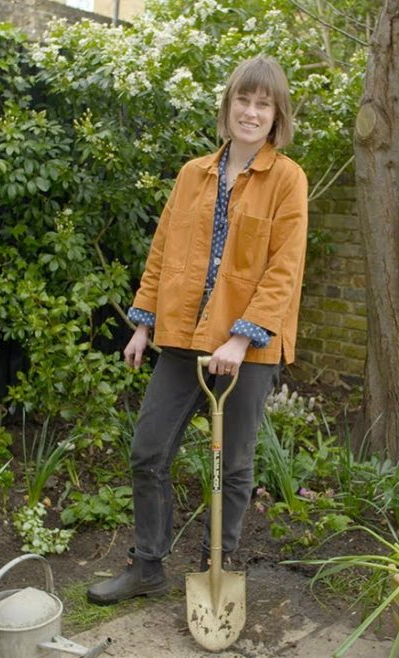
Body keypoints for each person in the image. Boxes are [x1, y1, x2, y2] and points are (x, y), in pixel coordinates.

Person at [87, 55, 308, 605]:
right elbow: (163, 250)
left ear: (277, 115)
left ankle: (220, 564)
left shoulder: (287, 179)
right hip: (183, 336)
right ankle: (148, 564)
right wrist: (142, 323)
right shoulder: (193, 174)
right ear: (228, 104)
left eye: (263, 104)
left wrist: (242, 336)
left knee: (233, 462)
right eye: (243, 100)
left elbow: (286, 266)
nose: (251, 112)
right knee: (148, 449)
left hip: (249, 349)